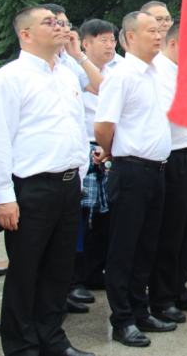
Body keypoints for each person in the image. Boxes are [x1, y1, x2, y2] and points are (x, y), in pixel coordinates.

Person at [0, 6, 91, 356]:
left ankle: (53, 339)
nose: (59, 26)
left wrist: (79, 175)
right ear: (26, 34)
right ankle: (21, 346)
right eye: (49, 22)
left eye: (61, 21)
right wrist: (4, 196)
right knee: (25, 271)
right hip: (32, 188)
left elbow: (77, 128)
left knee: (59, 269)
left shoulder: (66, 74)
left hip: (68, 184)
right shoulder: (10, 77)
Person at [94, 11, 175, 348]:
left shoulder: (155, 73)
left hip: (157, 171)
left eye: (159, 30)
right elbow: (103, 126)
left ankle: (140, 311)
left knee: (146, 248)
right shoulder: (121, 76)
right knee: (123, 250)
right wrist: (114, 151)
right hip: (130, 171)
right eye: (150, 31)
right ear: (129, 37)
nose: (158, 36)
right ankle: (122, 320)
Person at [148, 21, 187, 323]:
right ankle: (162, 298)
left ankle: (179, 289)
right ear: (173, 44)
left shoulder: (185, 71)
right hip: (175, 157)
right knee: (171, 233)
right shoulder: (159, 72)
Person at [67, 20, 121, 311]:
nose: (110, 45)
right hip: (85, 149)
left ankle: (94, 270)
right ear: (85, 43)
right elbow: (102, 90)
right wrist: (79, 58)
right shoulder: (72, 69)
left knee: (104, 216)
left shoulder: (116, 69)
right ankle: (74, 279)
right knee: (80, 218)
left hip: (109, 149)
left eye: (112, 39)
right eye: (103, 40)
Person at [42, 5, 104, 97]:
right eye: (60, 24)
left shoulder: (71, 61)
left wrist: (78, 56)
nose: (67, 30)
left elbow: (103, 89)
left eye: (67, 24)